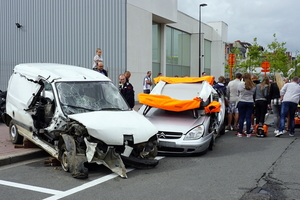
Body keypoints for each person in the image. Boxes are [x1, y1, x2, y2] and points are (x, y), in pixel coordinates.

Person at [236, 73, 256, 137]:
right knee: (248, 118)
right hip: (250, 101)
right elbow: (253, 93)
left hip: (242, 101)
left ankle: (240, 133)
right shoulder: (253, 85)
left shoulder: (240, 84)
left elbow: (238, 92)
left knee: (241, 117)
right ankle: (248, 133)